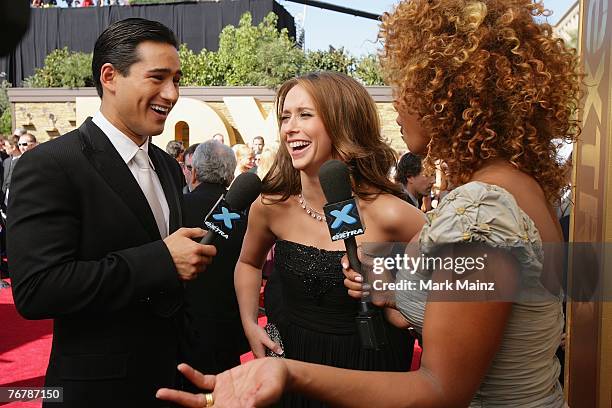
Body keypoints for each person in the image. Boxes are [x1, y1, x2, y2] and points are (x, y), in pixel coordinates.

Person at [157, 0, 580, 406]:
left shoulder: (480, 213)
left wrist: (289, 374)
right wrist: (394, 295)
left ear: (448, 93)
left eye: (409, 84)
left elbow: (442, 388)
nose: (396, 101)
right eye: (285, 116)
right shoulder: (514, 191)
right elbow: (488, 308)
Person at [8, 18, 216, 408]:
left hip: (175, 382)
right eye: (157, 78)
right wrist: (161, 260)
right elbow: (37, 290)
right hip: (96, 392)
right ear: (110, 76)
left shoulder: (168, 166)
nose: (171, 94)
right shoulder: (51, 165)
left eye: (176, 79)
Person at [235, 71, 422, 407]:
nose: (290, 127)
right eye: (285, 117)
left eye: (305, 115)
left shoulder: (392, 214)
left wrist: (394, 296)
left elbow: (458, 288)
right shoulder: (271, 206)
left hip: (368, 371)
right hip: (293, 362)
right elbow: (248, 263)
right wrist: (250, 322)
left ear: (344, 123)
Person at [180, 140, 249, 385]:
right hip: (228, 330)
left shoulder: (176, 208)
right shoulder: (247, 215)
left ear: (194, 172)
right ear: (230, 177)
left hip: (184, 331)